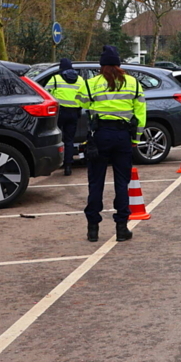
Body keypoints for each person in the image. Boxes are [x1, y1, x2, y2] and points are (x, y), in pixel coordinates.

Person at [77, 46, 146, 242]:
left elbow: (82, 104)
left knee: (95, 182)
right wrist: (135, 139)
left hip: (99, 135)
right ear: (119, 64)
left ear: (101, 65)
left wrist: (97, 110)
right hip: (123, 136)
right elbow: (141, 114)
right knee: (122, 183)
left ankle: (93, 229)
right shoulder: (133, 83)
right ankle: (122, 229)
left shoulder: (91, 84)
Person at [45, 57, 86, 176]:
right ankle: (68, 167)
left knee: (56, 139)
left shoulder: (56, 79)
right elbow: (84, 97)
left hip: (59, 113)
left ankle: (54, 165)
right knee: (69, 140)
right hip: (74, 114)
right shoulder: (80, 80)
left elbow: (46, 94)